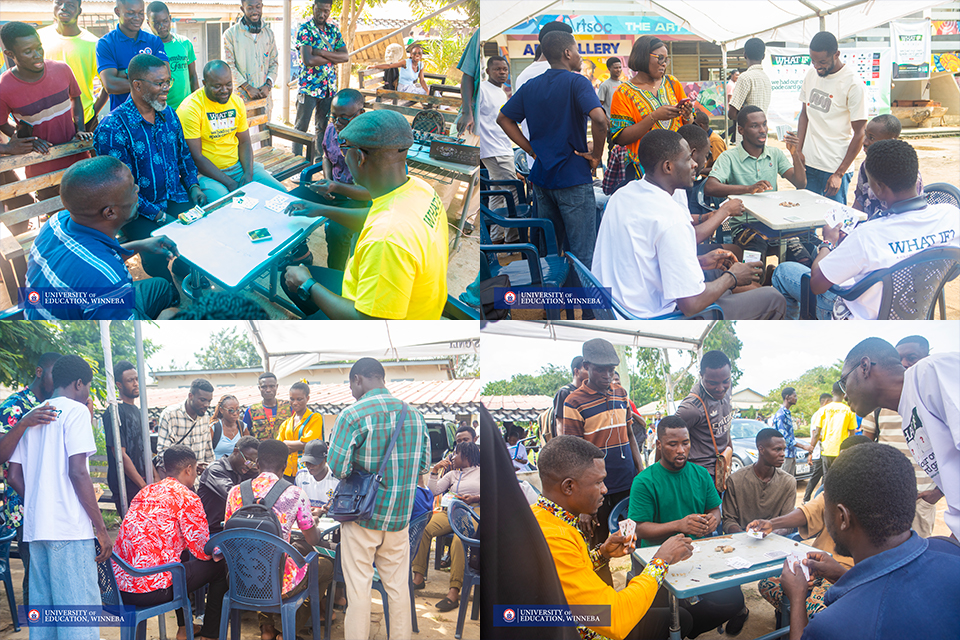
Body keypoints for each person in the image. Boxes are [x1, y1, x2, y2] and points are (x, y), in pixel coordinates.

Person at [593, 129, 786, 319]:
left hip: (614, 308)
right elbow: (691, 304)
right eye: (687, 159)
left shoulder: (622, 195)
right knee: (774, 299)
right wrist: (732, 277)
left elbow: (644, 259)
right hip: (650, 319)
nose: (694, 164)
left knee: (718, 275)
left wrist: (699, 262)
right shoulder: (671, 217)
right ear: (668, 167)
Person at [776, 442, 960, 639]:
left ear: (843, 517)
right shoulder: (949, 549)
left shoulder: (835, 625)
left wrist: (797, 599)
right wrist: (842, 575)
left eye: (826, 509)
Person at [282, 110, 449, 320]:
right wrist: (321, 209)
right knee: (289, 280)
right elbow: (374, 217)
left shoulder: (386, 239)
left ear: (359, 157)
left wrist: (308, 284)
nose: (343, 155)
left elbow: (368, 322)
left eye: (344, 149)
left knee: (293, 282)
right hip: (410, 304)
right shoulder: (420, 188)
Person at [771, 139, 959, 319]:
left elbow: (817, 284)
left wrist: (828, 242)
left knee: (783, 271)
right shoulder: (951, 215)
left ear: (878, 188)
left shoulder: (868, 235)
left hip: (860, 320)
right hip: (917, 310)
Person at [533, 435, 695, 640]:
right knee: (677, 619)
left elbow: (570, 572)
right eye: (598, 482)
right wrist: (661, 560)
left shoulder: (543, 517)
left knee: (681, 617)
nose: (605, 489)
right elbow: (612, 617)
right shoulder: (554, 538)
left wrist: (602, 553)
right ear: (568, 487)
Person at [7, 355, 112, 638]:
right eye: (88, 387)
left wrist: (41, 501)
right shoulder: (76, 412)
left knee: (46, 618)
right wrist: (101, 529)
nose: (88, 393)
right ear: (79, 383)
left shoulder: (33, 415)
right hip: (69, 529)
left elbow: (13, 476)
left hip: (37, 530)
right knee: (78, 619)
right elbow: (78, 472)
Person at [327, 357, 430, 640]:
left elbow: (338, 468)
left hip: (362, 516)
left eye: (351, 385)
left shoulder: (352, 415)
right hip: (399, 518)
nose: (351, 391)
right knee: (397, 588)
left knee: (358, 588)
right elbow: (423, 466)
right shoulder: (415, 416)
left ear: (358, 379)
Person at [629, 416, 749, 636]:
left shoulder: (700, 474)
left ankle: (686, 626)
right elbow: (639, 528)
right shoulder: (645, 481)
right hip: (660, 559)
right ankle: (682, 623)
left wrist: (713, 519)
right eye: (672, 444)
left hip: (701, 555)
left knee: (733, 601)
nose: (681, 450)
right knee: (662, 615)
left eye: (685, 443)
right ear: (659, 445)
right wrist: (679, 524)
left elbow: (714, 509)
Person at [497, 30, 607, 269]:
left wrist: (531, 150)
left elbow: (503, 119)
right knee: (583, 253)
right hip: (573, 177)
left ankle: (554, 293)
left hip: (542, 178)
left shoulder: (531, 85)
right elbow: (600, 119)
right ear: (567, 53)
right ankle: (581, 294)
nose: (579, 55)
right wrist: (596, 155)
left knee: (550, 252)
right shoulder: (578, 82)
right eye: (577, 50)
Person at [93, 53, 205, 285]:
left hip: (174, 195)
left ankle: (184, 268)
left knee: (200, 230)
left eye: (168, 81)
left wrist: (193, 186)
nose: (166, 88)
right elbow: (120, 191)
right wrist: (160, 216)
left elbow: (184, 156)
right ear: (137, 85)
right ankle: (165, 289)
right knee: (156, 253)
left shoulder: (169, 115)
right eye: (159, 83)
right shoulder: (112, 128)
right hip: (137, 209)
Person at [24, 156, 180, 320]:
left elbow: (90, 260)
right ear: (110, 213)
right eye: (131, 188)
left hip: (46, 308)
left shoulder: (56, 221)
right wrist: (165, 318)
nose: (137, 189)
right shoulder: (108, 281)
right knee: (174, 314)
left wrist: (140, 245)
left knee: (161, 287)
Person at [839, 337, 959, 539]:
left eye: (844, 382)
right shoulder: (907, 416)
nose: (844, 395)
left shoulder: (931, 372)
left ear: (865, 367)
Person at [113, 445, 227, 640]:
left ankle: (185, 628)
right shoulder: (187, 497)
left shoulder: (145, 492)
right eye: (195, 471)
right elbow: (202, 551)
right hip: (150, 589)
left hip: (119, 588)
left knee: (179, 559)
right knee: (220, 566)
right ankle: (210, 634)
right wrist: (222, 550)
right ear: (189, 469)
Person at [225, 439, 332, 640]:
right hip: (280, 582)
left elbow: (229, 535)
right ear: (284, 465)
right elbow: (312, 539)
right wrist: (314, 524)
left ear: (257, 463)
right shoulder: (295, 494)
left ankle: (266, 629)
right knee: (325, 567)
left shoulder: (235, 492)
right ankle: (287, 631)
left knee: (258, 557)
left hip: (240, 579)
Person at [750, 435, 866, 619]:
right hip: (817, 565)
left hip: (849, 575)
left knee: (814, 609)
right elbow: (806, 512)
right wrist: (772, 523)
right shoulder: (832, 492)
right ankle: (788, 619)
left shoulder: (875, 503)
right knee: (768, 584)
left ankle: (795, 621)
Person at [562, 339, 642, 585]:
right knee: (599, 548)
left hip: (628, 484)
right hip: (596, 490)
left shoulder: (621, 394)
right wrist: (583, 507)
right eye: (600, 369)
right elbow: (574, 454)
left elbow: (630, 435)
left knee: (635, 542)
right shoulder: (573, 402)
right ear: (586, 367)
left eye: (611, 369)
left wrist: (641, 472)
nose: (607, 375)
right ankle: (603, 600)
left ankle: (640, 590)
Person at [858, 335, 941, 538]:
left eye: (912, 357)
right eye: (898, 359)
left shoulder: (938, 400)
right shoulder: (877, 403)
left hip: (921, 500)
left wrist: (937, 493)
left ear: (927, 358)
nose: (904, 363)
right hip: (884, 498)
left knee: (917, 553)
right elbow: (865, 448)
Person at [704, 105, 807, 262]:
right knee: (754, 264)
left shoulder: (775, 154)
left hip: (774, 223)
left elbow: (801, 183)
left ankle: (778, 275)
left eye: (764, 124)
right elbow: (710, 187)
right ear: (741, 130)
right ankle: (764, 276)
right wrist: (749, 189)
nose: (762, 130)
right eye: (754, 126)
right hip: (743, 226)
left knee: (803, 257)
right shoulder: (729, 157)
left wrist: (794, 153)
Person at [0, 21, 93, 195]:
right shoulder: (4, 87)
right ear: (10, 54)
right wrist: (29, 141)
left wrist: (80, 128)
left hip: (78, 161)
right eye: (28, 51)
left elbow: (75, 98)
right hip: (42, 170)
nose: (37, 55)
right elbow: (2, 123)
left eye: (39, 48)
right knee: (52, 210)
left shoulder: (62, 69)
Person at [177, 60, 287, 201]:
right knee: (227, 204)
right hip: (207, 174)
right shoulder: (191, 108)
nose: (224, 90)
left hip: (238, 167)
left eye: (228, 84)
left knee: (281, 193)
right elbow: (197, 157)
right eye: (217, 86)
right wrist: (230, 183)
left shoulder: (236, 102)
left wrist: (248, 174)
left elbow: (245, 142)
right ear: (205, 83)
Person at [0, 352, 61, 607]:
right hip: (24, 504)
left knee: (49, 574)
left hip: (51, 502)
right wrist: (24, 423)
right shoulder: (15, 405)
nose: (57, 382)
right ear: (39, 372)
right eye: (54, 375)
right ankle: (33, 625)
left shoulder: (55, 403)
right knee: (35, 575)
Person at [796, 31, 867, 203]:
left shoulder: (853, 84)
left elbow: (860, 133)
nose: (817, 66)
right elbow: (804, 115)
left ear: (836, 54)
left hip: (834, 167)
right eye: (813, 61)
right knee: (805, 216)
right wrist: (798, 150)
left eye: (822, 62)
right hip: (808, 164)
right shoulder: (811, 75)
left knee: (833, 219)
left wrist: (839, 173)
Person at [303, 87, 370, 270]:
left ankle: (336, 275)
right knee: (294, 201)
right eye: (333, 117)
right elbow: (326, 157)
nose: (337, 123)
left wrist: (334, 186)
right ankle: (300, 253)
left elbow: (370, 192)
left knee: (337, 232)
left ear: (360, 114)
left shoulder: (370, 141)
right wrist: (327, 180)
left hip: (356, 198)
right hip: (333, 189)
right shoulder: (332, 128)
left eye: (343, 118)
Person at [610, 35, 693, 180]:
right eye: (660, 58)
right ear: (643, 56)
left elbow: (688, 125)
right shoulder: (623, 92)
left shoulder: (672, 83)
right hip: (643, 170)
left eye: (666, 59)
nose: (664, 64)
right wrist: (654, 117)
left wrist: (687, 115)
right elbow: (621, 138)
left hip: (675, 167)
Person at [412, 441, 481, 612]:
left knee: (459, 540)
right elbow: (432, 491)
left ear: (466, 456)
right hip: (451, 511)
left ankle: (454, 591)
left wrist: (475, 498)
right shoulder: (452, 475)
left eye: (456, 454)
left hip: (474, 511)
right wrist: (435, 471)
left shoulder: (482, 473)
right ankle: (418, 577)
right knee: (424, 529)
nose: (453, 457)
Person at [510, 21, 574, 168]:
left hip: (536, 161)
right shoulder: (565, 74)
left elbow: (507, 119)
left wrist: (531, 151)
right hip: (565, 160)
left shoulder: (523, 75)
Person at [37, 0, 108, 131]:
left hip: (85, 120)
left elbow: (107, 85)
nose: (64, 8)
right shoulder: (39, 38)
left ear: (79, 10)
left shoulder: (94, 43)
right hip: (46, 120)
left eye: (70, 4)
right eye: (59, 3)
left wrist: (93, 112)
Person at [676, 123, 746, 255]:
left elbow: (681, 219)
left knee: (734, 251)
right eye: (706, 156)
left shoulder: (671, 186)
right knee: (735, 253)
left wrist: (703, 217)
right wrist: (724, 211)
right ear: (692, 154)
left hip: (679, 250)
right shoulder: (674, 191)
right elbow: (691, 238)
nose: (704, 162)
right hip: (679, 252)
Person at [293, 0, 349, 158]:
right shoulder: (305, 29)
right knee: (300, 128)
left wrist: (320, 52)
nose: (322, 14)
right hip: (308, 88)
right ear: (313, 8)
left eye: (326, 11)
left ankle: (319, 161)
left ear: (330, 10)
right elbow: (308, 60)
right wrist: (333, 56)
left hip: (328, 88)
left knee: (322, 127)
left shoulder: (333, 30)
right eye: (319, 10)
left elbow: (344, 56)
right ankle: (297, 161)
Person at [676, 350, 734, 491]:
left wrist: (729, 455)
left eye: (725, 381)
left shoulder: (727, 389)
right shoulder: (691, 408)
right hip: (699, 478)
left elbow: (725, 429)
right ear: (701, 376)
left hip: (722, 470)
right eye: (713, 383)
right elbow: (665, 438)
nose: (720, 389)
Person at [477, 55, 520, 244]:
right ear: (488, 71)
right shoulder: (482, 90)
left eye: (505, 69)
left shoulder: (501, 92)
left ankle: (496, 238)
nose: (502, 72)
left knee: (497, 195)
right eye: (497, 69)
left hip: (502, 148)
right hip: (494, 151)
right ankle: (513, 239)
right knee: (513, 191)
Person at [97, 0, 168, 110]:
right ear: (117, 11)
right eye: (131, 13)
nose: (137, 18)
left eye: (141, 13)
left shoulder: (154, 41)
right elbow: (111, 85)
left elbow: (164, 78)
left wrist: (125, 72)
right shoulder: (106, 43)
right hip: (122, 116)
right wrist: (151, 82)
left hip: (153, 113)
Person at [722, 428, 796, 533]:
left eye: (784, 449)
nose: (783, 454)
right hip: (742, 538)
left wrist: (768, 534)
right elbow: (728, 521)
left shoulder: (788, 482)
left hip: (775, 538)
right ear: (761, 449)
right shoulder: (735, 481)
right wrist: (746, 536)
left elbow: (787, 523)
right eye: (777, 449)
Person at [851, 114, 923, 219]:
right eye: (865, 135)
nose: (865, 142)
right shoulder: (866, 165)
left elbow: (908, 213)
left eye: (872, 138)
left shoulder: (905, 170)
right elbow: (859, 202)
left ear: (891, 140)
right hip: (870, 224)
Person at [102, 360, 149, 514]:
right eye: (130, 380)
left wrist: (153, 478)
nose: (136, 384)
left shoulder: (137, 410)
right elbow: (119, 453)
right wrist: (143, 486)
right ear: (119, 385)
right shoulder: (115, 411)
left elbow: (144, 448)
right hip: (126, 485)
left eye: (137, 379)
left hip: (143, 480)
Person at [222, 0, 278, 116]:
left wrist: (268, 85)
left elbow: (274, 62)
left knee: (264, 127)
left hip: (264, 99)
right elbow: (229, 66)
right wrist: (247, 87)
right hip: (242, 99)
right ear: (242, 9)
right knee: (243, 127)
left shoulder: (269, 34)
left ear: (262, 6)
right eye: (250, 8)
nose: (255, 12)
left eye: (258, 7)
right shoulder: (230, 35)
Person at [197, 435, 259, 534]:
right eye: (247, 460)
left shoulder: (244, 471)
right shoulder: (216, 470)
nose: (249, 466)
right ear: (236, 451)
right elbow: (234, 496)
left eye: (253, 463)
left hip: (230, 530)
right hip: (211, 531)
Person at [146, 2, 198, 110]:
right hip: (161, 110)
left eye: (165, 21)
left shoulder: (185, 43)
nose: (161, 26)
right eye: (156, 23)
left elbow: (193, 76)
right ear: (148, 23)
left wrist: (197, 104)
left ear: (170, 19)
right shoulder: (148, 49)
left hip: (186, 109)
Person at [157, 378, 215, 473]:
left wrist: (211, 470)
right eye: (203, 400)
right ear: (190, 396)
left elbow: (209, 452)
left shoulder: (205, 417)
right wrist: (192, 466)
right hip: (176, 478)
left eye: (209, 401)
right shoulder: (170, 415)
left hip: (199, 479)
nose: (207, 404)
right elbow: (163, 453)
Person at [276, 381, 323, 480]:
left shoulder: (315, 418)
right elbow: (279, 447)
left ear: (307, 398)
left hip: (308, 470)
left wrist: (286, 443)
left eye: (299, 399)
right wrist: (299, 445)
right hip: (287, 472)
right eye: (292, 399)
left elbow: (309, 443)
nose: (295, 403)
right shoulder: (286, 423)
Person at [812, 382, 856, 476]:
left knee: (827, 478)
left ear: (832, 392)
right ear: (844, 394)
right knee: (841, 477)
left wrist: (811, 450)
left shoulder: (823, 410)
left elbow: (816, 433)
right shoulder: (849, 410)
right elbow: (852, 434)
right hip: (842, 451)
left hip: (826, 450)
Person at [727, 38, 771, 125]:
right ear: (763, 56)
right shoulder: (766, 78)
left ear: (745, 55)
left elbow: (732, 114)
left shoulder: (745, 77)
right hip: (762, 129)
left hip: (748, 130)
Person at [242, 371, 292, 441]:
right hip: (261, 447)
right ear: (259, 388)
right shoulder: (252, 410)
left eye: (271, 386)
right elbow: (245, 434)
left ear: (276, 387)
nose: (268, 390)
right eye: (264, 387)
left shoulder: (288, 407)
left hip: (285, 447)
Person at [294, 439, 339, 511]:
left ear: (325, 459)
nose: (309, 466)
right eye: (307, 462)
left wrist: (324, 512)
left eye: (314, 462)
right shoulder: (301, 476)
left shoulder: (337, 479)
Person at [803, 393, 832, 502]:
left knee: (821, 477)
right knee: (819, 477)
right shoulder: (818, 415)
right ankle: (811, 499)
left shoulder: (822, 414)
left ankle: (813, 499)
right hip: (819, 452)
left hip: (822, 451)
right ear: (826, 402)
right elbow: (815, 434)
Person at [771, 387, 806, 476]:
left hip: (791, 454)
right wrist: (803, 446)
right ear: (787, 397)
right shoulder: (781, 415)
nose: (796, 398)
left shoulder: (787, 413)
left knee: (790, 481)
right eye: (794, 396)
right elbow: (784, 438)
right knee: (781, 481)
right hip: (784, 455)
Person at [550, 355, 586, 443]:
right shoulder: (565, 392)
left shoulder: (587, 393)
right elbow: (560, 423)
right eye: (586, 369)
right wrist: (563, 445)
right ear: (576, 371)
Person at [209, 394, 247, 459]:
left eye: (238, 410)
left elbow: (247, 450)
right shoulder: (214, 428)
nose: (235, 413)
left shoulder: (242, 427)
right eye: (231, 410)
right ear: (221, 410)